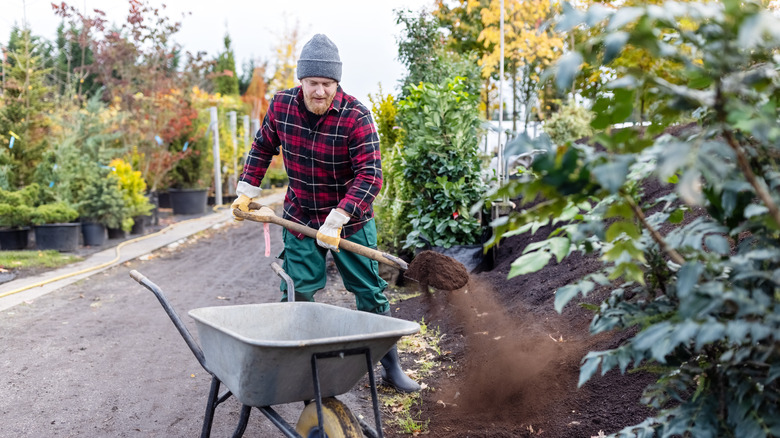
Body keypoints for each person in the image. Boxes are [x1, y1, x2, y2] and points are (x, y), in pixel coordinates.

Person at [231, 34, 420, 393]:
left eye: (328, 84)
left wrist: (339, 218)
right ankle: (291, 366)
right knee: (296, 289)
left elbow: (370, 175)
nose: (320, 92)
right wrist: (246, 191)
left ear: (337, 82)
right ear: (300, 80)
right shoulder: (282, 105)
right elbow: (262, 146)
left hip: (351, 221)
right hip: (301, 216)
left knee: (369, 291)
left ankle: (391, 369)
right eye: (313, 83)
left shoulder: (356, 116)